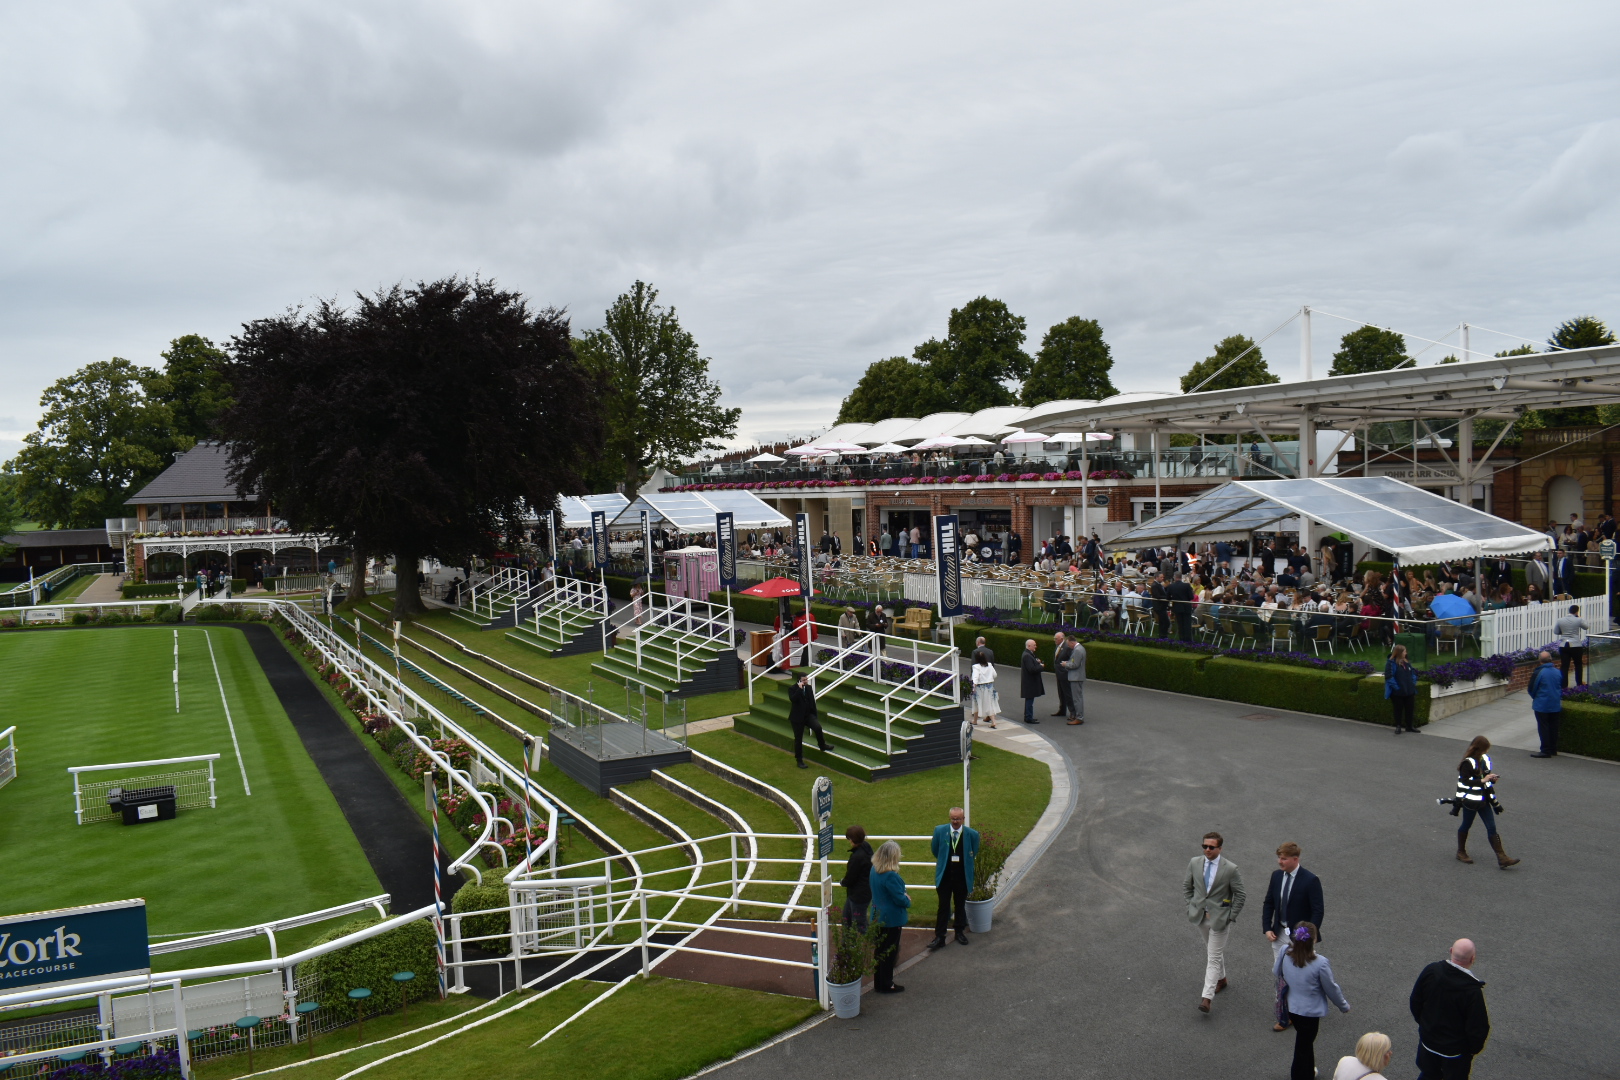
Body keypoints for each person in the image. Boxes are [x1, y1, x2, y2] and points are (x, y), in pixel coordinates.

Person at [1262, 842, 1326, 1032]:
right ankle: (1285, 1015)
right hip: (1279, 933)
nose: (1279, 862)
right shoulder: (1276, 876)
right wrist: (1267, 928)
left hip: (1300, 938)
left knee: (1303, 974)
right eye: (1279, 858)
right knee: (1281, 974)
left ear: (1295, 859)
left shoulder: (1310, 880)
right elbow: (1269, 903)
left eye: (1284, 858)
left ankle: (1310, 1003)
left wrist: (1307, 936)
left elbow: (1317, 910)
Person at [1273, 922, 1350, 1080]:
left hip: (1291, 1008)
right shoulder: (1320, 963)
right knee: (1303, 1046)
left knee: (1305, 1043)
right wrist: (1343, 1006)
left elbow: (1276, 971)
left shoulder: (1284, 951)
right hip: (1310, 1013)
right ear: (1313, 940)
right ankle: (1300, 1075)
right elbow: (1331, 989)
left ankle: (1308, 1072)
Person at [1409, 939, 1490, 1078]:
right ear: (1472, 958)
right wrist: (1470, 1050)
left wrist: (1425, 1025)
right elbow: (1478, 1028)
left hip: (1428, 1043)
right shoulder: (1472, 992)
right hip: (1455, 1053)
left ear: (1451, 950)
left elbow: (1415, 1001)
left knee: (1428, 1075)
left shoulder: (1431, 971)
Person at [1184, 831, 1245, 1013]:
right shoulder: (1195, 863)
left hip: (1220, 920)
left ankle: (1207, 998)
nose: (1207, 850)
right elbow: (1187, 887)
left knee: (1213, 957)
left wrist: (1230, 916)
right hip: (1201, 917)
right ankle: (1222, 979)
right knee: (1214, 952)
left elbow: (1240, 895)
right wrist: (1191, 906)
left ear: (1220, 848)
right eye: (1205, 846)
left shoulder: (1230, 869)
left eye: (1211, 847)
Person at [1453, 736, 1519, 867]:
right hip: (1470, 801)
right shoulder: (1467, 763)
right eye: (1485, 750)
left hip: (1484, 800)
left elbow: (1485, 776)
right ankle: (1461, 852)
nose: (1486, 753)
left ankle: (1502, 857)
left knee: (1491, 827)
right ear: (1479, 749)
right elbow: (1464, 782)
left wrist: (1491, 778)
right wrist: (1482, 781)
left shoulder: (1484, 760)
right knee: (1466, 825)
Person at [928, 806, 979, 949]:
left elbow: (973, 853)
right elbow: (935, 849)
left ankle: (959, 932)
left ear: (963, 819)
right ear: (949, 818)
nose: (955, 821)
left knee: (960, 906)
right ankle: (940, 937)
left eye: (958, 819)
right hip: (945, 876)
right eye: (953, 819)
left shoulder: (972, 834)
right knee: (943, 906)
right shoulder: (940, 831)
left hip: (961, 877)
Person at [868, 841, 910, 992]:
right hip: (891, 918)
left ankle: (879, 983)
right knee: (889, 952)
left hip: (877, 915)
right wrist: (907, 900)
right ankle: (887, 984)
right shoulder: (891, 876)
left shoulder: (874, 869)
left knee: (880, 950)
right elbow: (899, 898)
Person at [786, 675, 830, 769]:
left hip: (808, 715)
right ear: (799, 680)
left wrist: (814, 715)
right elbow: (793, 699)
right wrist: (799, 689)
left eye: (806, 679)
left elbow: (812, 702)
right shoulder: (792, 688)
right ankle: (799, 760)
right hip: (797, 718)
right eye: (804, 680)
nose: (806, 681)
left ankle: (822, 745)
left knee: (818, 727)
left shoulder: (809, 688)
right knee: (798, 739)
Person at [1527, 650, 1562, 758]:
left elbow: (1531, 689)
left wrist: (1536, 698)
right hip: (1555, 704)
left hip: (1542, 705)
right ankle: (1553, 749)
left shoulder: (1539, 672)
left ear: (1540, 660)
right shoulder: (1557, 672)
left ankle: (1545, 750)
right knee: (1553, 727)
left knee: (1543, 727)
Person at [839, 826, 873, 931]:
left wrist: (843, 882)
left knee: (859, 924)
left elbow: (851, 877)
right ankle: (848, 943)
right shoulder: (866, 847)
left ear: (852, 840)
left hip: (858, 895)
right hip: (863, 892)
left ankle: (867, 944)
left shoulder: (857, 857)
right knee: (848, 919)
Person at [1385, 644, 1420, 734]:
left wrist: (1413, 683)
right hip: (1398, 692)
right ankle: (1398, 726)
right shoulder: (1391, 663)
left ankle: (1409, 726)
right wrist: (1396, 688)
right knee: (1398, 709)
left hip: (1409, 690)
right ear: (1400, 653)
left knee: (1410, 709)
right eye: (1404, 651)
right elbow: (1389, 677)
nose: (1406, 653)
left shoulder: (1407, 662)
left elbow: (1412, 673)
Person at [1554, 603, 1589, 687]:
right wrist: (1580, 618)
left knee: (1564, 665)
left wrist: (1563, 632)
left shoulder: (1560, 620)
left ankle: (1564, 685)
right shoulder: (1578, 620)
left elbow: (1556, 632)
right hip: (1576, 644)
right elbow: (1586, 627)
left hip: (1564, 645)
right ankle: (1579, 683)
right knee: (1578, 664)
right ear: (1577, 612)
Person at [1019, 639, 1045, 724]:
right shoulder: (1027, 655)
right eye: (1034, 645)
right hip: (1030, 682)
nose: (1035, 646)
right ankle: (1028, 717)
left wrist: (1037, 662)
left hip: (1029, 682)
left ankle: (1028, 716)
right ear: (1029, 646)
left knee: (1029, 700)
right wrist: (1041, 666)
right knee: (1030, 700)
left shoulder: (1029, 654)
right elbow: (1032, 669)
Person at [1062, 636, 1086, 724]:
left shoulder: (1077, 650)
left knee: (1077, 698)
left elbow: (1075, 664)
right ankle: (1078, 716)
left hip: (1076, 677)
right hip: (1077, 677)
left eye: (1069, 644)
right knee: (1077, 698)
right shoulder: (1079, 649)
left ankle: (1079, 717)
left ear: (1072, 642)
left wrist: (1066, 664)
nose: (1069, 646)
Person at [970, 656, 999, 729]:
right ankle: (992, 721)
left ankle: (976, 720)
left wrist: (973, 687)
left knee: (976, 703)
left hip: (980, 687)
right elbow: (995, 675)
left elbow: (975, 678)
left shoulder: (976, 667)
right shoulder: (989, 665)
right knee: (990, 703)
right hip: (990, 687)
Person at [1050, 632, 1075, 718]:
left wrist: (1066, 666)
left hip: (1065, 674)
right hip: (1059, 674)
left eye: (1056, 639)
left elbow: (1072, 659)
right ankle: (1062, 710)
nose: (1055, 640)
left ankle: (1072, 712)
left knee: (1067, 693)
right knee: (1061, 693)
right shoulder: (1058, 646)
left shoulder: (1067, 647)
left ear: (1061, 638)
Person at [1167, 571, 1196, 641]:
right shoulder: (1186, 585)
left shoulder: (1171, 586)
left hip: (1177, 607)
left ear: (1174, 577)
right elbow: (1191, 597)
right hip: (1186, 607)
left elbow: (1168, 597)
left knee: (1180, 625)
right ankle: (1188, 640)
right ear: (1181, 577)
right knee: (1187, 624)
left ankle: (1181, 639)